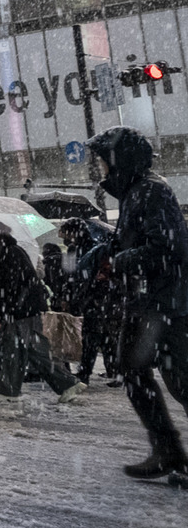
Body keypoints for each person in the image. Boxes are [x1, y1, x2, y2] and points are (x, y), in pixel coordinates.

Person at [88, 127, 188, 482]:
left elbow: (169, 248)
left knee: (177, 380)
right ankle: (167, 449)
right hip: (149, 303)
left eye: (102, 160)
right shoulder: (136, 193)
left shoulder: (150, 191)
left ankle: (168, 449)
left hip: (163, 304)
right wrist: (111, 254)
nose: (99, 168)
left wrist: (121, 262)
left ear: (120, 160)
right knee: (137, 371)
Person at [0, 221, 86, 404]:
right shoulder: (10, 251)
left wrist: (1, 313)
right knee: (24, 349)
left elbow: (5, 286)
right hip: (26, 307)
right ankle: (11, 389)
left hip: (19, 310)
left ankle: (65, 383)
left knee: (20, 349)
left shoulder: (6, 253)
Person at [61, 218, 123, 385]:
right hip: (99, 297)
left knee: (93, 337)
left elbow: (70, 275)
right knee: (105, 337)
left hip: (95, 297)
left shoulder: (88, 250)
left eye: (65, 233)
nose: (63, 237)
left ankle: (87, 373)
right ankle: (114, 371)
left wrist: (69, 295)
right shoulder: (90, 247)